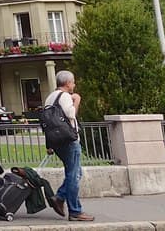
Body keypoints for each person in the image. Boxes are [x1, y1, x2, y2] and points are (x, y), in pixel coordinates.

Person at [46, 70, 94, 221]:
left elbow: (48, 123)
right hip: (69, 141)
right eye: (73, 82)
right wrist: (77, 100)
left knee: (76, 173)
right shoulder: (65, 96)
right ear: (67, 83)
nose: (74, 85)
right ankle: (75, 211)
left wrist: (49, 144)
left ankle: (60, 197)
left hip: (57, 142)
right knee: (73, 175)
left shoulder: (50, 97)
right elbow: (71, 115)